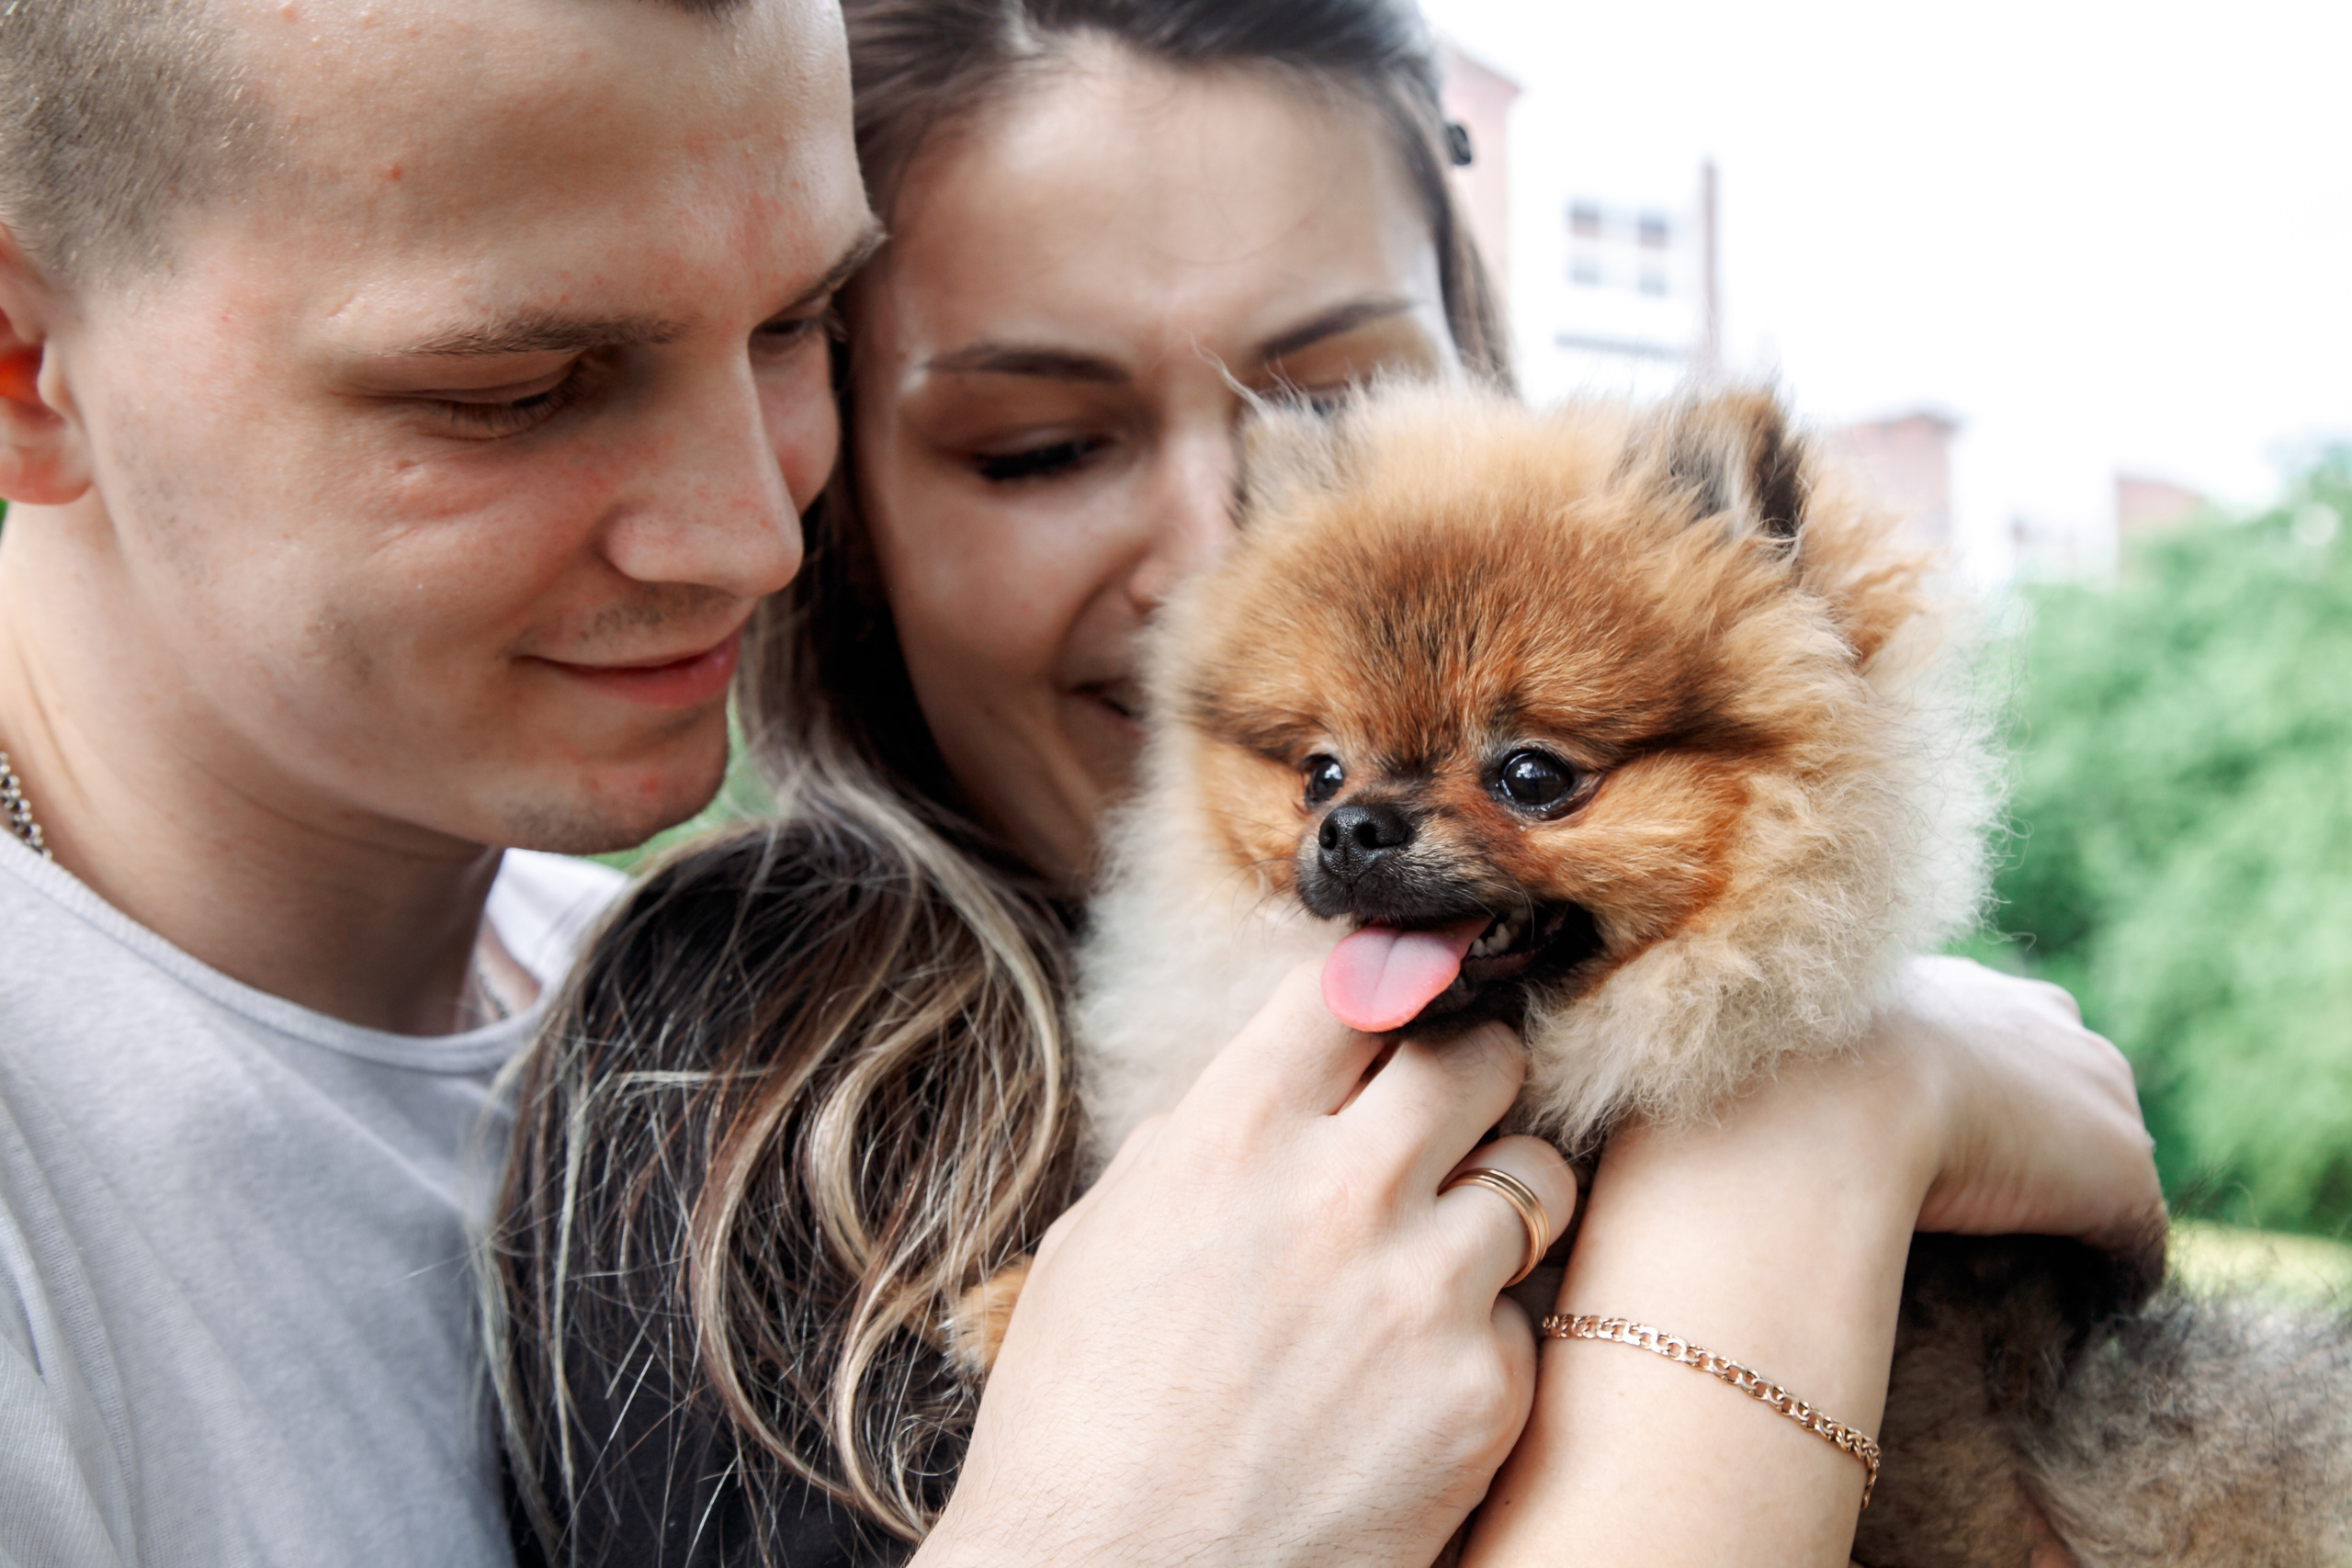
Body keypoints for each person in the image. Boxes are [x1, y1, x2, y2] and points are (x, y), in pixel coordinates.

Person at [492, 2, 2163, 1565]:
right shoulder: (739, 1084)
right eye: (1039, 448)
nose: (1209, 550)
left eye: (1334, 406)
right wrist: (1825, 1140)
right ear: (838, 493)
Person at [0, 0, 873, 1561]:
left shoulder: (698, 1012)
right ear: (23, 364)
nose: (756, 534)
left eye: (797, 326)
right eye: (518, 388)